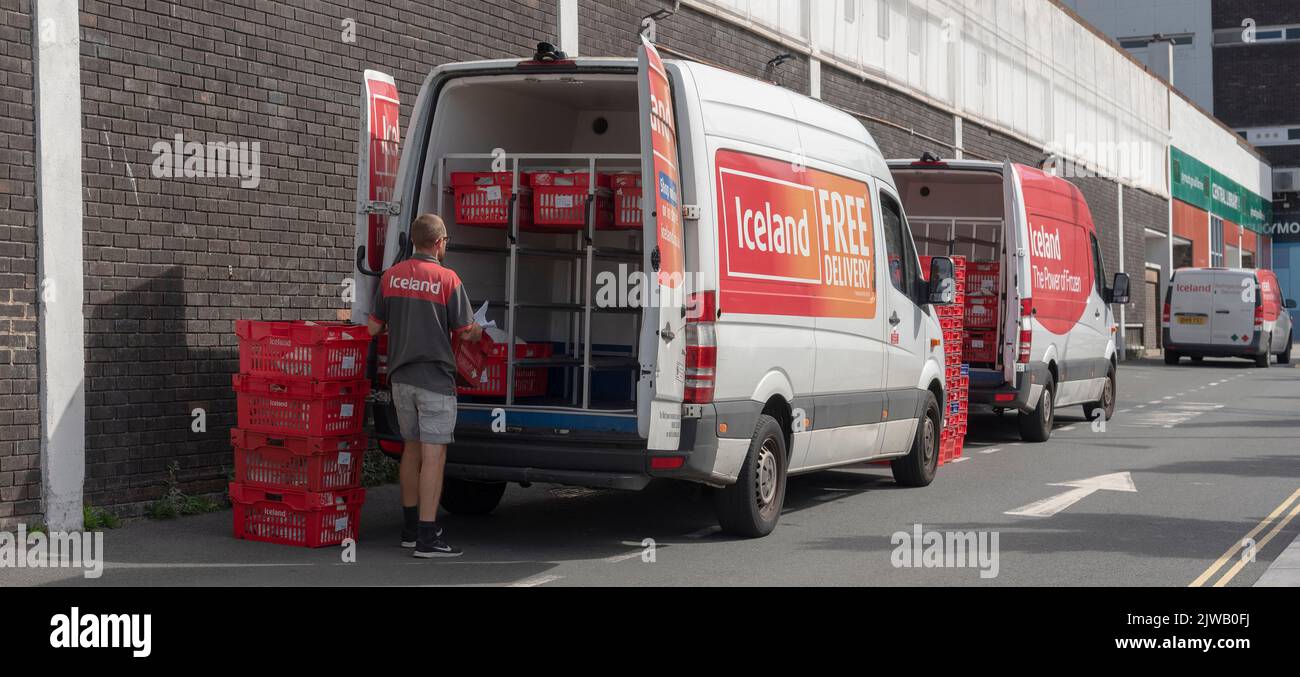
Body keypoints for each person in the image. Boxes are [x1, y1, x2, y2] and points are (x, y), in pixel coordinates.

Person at [368, 214, 481, 558]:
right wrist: (478, 329)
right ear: (439, 242)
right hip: (434, 381)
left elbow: (373, 329)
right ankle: (428, 539)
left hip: (400, 380)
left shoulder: (391, 277)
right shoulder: (448, 279)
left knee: (411, 450)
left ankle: (409, 529)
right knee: (435, 455)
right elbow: (466, 332)